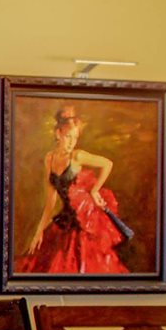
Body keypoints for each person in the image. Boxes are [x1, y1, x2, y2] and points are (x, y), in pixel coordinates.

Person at [19, 102, 132, 276]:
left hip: (82, 225)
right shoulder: (49, 159)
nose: (72, 142)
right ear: (58, 133)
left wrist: (95, 191)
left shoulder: (78, 156)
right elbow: (50, 203)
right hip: (63, 223)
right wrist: (39, 232)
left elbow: (107, 164)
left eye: (75, 137)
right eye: (68, 137)